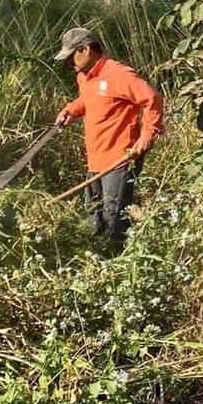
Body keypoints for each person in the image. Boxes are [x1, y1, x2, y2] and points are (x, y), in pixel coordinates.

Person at [54, 27, 163, 250]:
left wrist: (147, 134)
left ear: (85, 49)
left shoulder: (118, 75)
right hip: (96, 157)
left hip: (120, 159)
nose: (69, 64)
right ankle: (97, 259)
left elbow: (152, 99)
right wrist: (71, 110)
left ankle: (119, 264)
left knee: (115, 216)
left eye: (71, 56)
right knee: (94, 212)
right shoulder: (83, 76)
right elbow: (89, 100)